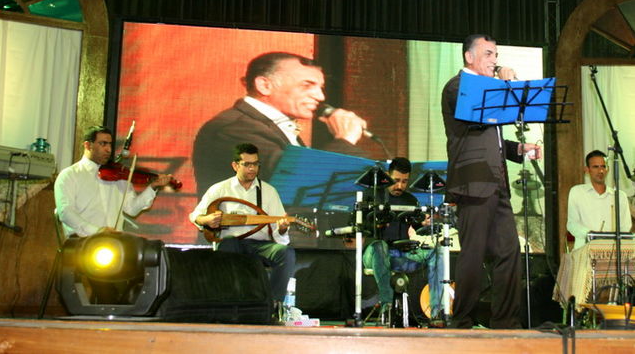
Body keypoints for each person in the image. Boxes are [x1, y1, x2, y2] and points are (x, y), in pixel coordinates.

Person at [441, 34, 541, 329]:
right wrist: (505, 85)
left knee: (509, 251)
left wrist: (519, 149)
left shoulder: (489, 91)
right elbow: (478, 119)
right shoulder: (457, 86)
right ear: (469, 56)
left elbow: (493, 141)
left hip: (498, 183)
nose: (494, 60)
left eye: (496, 54)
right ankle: (462, 321)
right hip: (473, 182)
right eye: (488, 54)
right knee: (473, 254)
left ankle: (505, 322)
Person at [193, 52, 368, 196]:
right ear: (265, 86)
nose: (320, 96)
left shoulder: (269, 126)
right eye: (307, 85)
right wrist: (344, 139)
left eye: (320, 88)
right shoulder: (233, 129)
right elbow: (292, 180)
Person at [189, 143, 296, 304]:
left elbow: (279, 231)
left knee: (286, 253)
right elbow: (195, 216)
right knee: (228, 244)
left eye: (255, 164)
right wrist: (207, 220)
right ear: (235, 165)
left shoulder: (269, 191)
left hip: (260, 246)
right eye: (247, 164)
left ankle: (273, 304)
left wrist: (281, 229)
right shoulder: (220, 189)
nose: (252, 168)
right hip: (232, 244)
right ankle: (227, 303)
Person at [361, 157, 444, 326]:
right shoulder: (373, 196)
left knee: (437, 252)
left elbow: (415, 225)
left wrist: (423, 223)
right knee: (380, 246)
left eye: (404, 181)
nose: (400, 186)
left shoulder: (410, 200)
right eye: (396, 180)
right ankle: (387, 305)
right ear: (387, 175)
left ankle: (437, 312)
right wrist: (377, 223)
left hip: (402, 255)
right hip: (375, 254)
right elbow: (361, 226)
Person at [55, 125, 174, 238]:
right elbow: (65, 212)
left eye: (110, 144)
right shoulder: (69, 175)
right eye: (103, 144)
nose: (109, 149)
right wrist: (96, 231)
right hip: (81, 242)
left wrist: (153, 187)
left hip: (113, 243)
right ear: (88, 145)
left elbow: (132, 209)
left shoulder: (118, 175)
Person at [566, 150, 632, 250]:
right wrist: (592, 235)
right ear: (587, 170)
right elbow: (572, 224)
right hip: (584, 250)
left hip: (612, 251)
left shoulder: (619, 196)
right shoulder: (577, 192)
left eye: (603, 166)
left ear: (608, 169)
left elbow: (625, 226)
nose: (600, 171)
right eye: (595, 167)